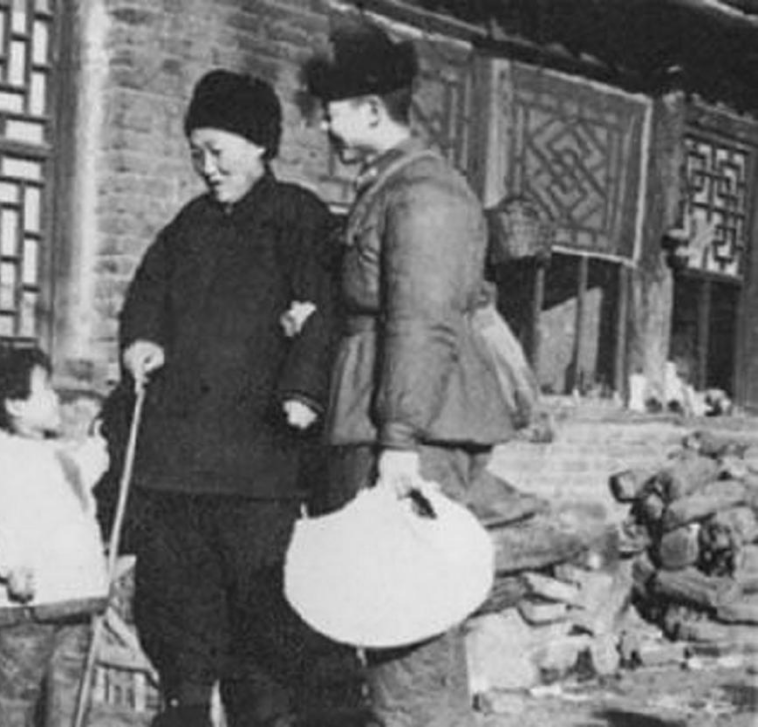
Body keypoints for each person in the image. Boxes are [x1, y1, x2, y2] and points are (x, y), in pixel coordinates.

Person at [305, 18, 519, 727]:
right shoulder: (391, 185)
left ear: (372, 110)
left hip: (406, 436)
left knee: (409, 634)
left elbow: (422, 322)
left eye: (331, 110)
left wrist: (398, 440)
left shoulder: (426, 195)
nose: (323, 125)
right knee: (390, 624)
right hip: (383, 423)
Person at [116, 69, 338, 727]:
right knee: (178, 603)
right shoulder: (189, 224)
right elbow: (146, 293)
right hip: (179, 460)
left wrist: (302, 389)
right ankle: (184, 706)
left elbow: (324, 309)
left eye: (217, 151)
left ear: (260, 145)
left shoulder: (298, 215)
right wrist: (141, 340)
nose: (207, 168)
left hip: (259, 460)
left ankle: (260, 714)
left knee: (259, 609)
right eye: (197, 154)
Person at [0, 345, 110, 727]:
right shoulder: (2, 463)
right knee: (19, 688)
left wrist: (99, 442)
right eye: (46, 390)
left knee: (71, 687)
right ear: (15, 404)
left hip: (73, 595)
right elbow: (0, 518)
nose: (56, 398)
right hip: (29, 603)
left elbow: (83, 476)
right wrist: (12, 566)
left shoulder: (58, 455)